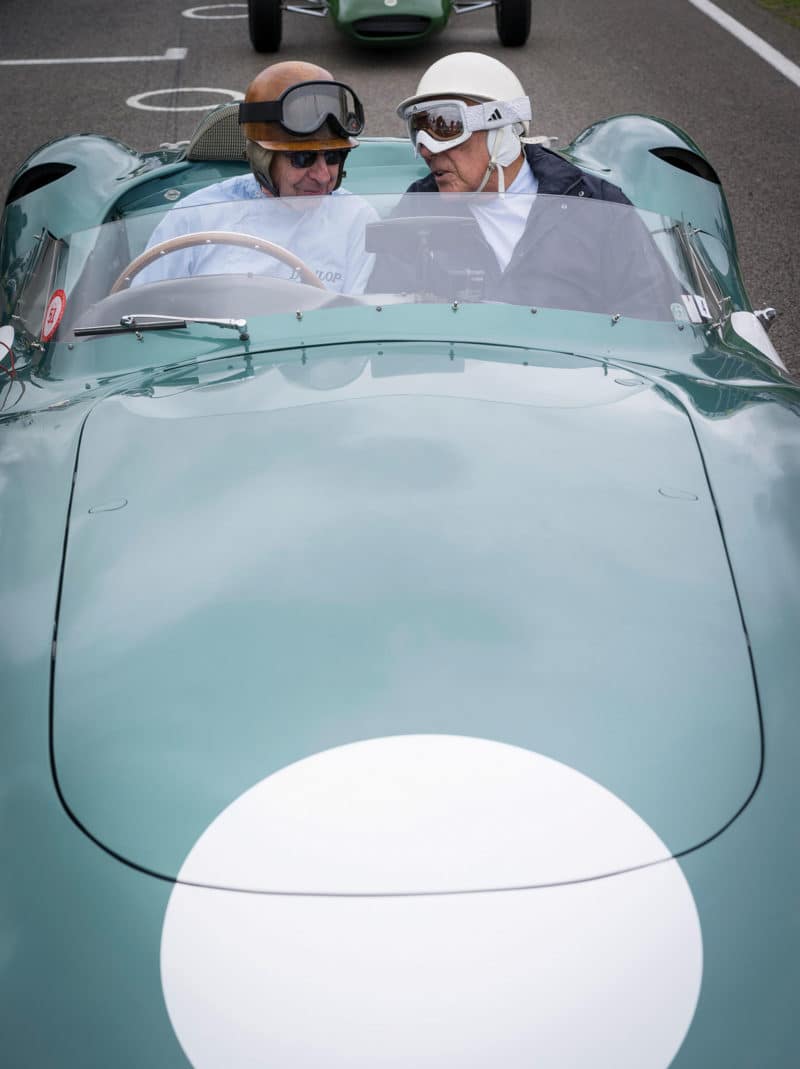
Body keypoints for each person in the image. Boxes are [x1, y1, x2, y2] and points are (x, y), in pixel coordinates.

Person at [369, 53, 680, 318]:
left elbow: (651, 318)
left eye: (446, 127)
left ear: (500, 131)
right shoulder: (416, 209)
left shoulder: (598, 206)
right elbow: (383, 319)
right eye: (418, 130)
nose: (426, 149)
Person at [132, 61, 376, 293]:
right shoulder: (196, 216)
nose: (323, 176)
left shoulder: (355, 218)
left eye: (333, 157)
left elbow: (364, 319)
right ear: (262, 158)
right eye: (303, 158)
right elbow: (143, 312)